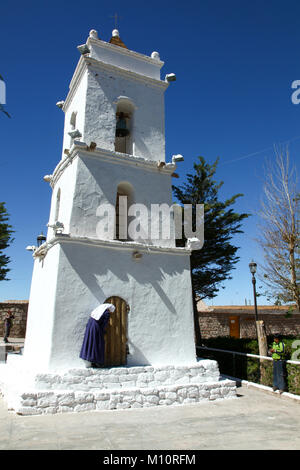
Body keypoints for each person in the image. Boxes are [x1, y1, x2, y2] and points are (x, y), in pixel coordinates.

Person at [79, 303, 115, 368]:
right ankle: (97, 362)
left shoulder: (96, 312)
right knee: (98, 344)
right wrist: (103, 331)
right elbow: (104, 323)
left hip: (90, 327)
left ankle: (91, 359)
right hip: (97, 328)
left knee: (90, 342)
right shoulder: (106, 313)